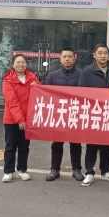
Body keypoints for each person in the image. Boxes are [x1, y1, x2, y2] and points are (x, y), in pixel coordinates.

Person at [77, 44, 109, 186]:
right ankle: (89, 172)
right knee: (92, 144)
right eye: (100, 53)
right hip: (93, 113)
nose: (103, 55)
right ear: (94, 55)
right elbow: (81, 93)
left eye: (105, 53)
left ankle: (105, 170)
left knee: (107, 143)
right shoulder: (87, 72)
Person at [45, 47, 84, 182]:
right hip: (58, 114)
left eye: (70, 56)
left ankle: (76, 169)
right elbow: (46, 95)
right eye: (64, 56)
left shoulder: (82, 74)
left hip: (75, 114)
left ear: (74, 58)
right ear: (60, 58)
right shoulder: (53, 76)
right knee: (56, 143)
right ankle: (54, 169)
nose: (67, 59)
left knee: (75, 143)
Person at [2, 54, 40, 183]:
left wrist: (37, 85)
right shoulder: (8, 81)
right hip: (12, 119)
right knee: (10, 146)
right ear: (13, 65)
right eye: (18, 62)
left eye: (23, 62)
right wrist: (20, 120)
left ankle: (22, 170)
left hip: (28, 118)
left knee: (24, 146)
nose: (20, 65)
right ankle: (8, 171)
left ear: (26, 64)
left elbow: (40, 94)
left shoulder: (32, 77)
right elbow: (12, 102)